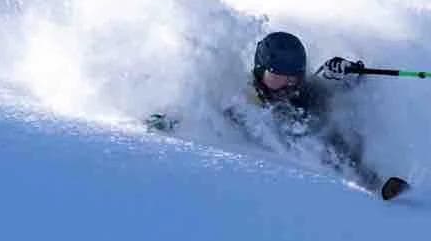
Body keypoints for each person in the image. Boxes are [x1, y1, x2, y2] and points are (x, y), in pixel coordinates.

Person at [150, 30, 408, 200]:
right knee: (318, 144)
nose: (286, 84)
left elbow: (329, 83)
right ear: (260, 71)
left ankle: (380, 187)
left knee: (332, 141)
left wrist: (346, 71)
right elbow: (204, 110)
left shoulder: (304, 93)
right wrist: (171, 120)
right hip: (268, 176)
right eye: (276, 76)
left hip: (321, 150)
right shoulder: (240, 97)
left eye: (293, 77)